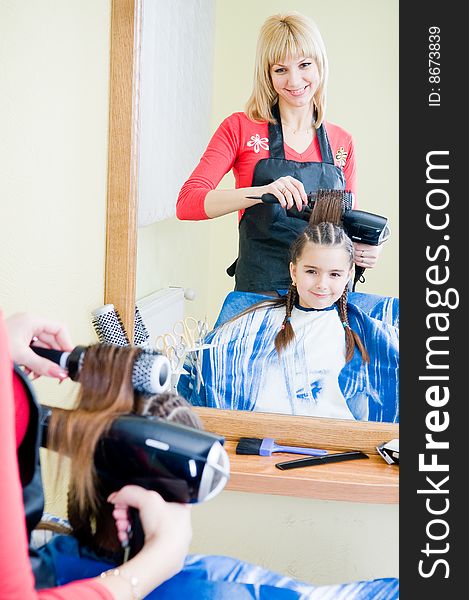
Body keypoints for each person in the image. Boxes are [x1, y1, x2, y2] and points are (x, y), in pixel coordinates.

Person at [176, 12, 381, 294]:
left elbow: (345, 230)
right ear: (268, 74)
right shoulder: (239, 128)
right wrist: (262, 192)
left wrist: (362, 250)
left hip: (323, 299)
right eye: (280, 69)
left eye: (304, 65)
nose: (294, 80)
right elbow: (188, 204)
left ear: (320, 65)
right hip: (259, 293)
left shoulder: (341, 141)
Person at [180, 191, 399, 422]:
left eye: (335, 274)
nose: (322, 285)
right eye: (311, 271)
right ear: (294, 271)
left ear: (349, 276)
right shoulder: (253, 324)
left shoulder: (372, 330)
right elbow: (206, 364)